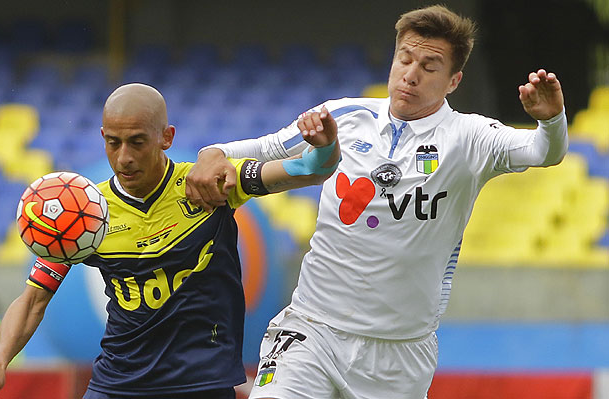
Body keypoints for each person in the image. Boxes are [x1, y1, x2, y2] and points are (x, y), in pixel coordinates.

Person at [186, 5, 567, 399]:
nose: (411, 74)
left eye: (430, 66)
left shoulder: (470, 137)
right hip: (311, 330)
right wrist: (212, 152)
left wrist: (551, 121)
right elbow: (259, 148)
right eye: (405, 58)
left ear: (454, 81)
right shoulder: (343, 115)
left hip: (398, 354)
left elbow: (543, 152)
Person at [0, 83, 340, 399]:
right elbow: (33, 299)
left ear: (166, 137)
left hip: (201, 383)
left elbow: (312, 169)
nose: (124, 158)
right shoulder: (86, 211)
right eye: (113, 143)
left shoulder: (209, 183)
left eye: (137, 142)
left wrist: (323, 145)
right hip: (118, 383)